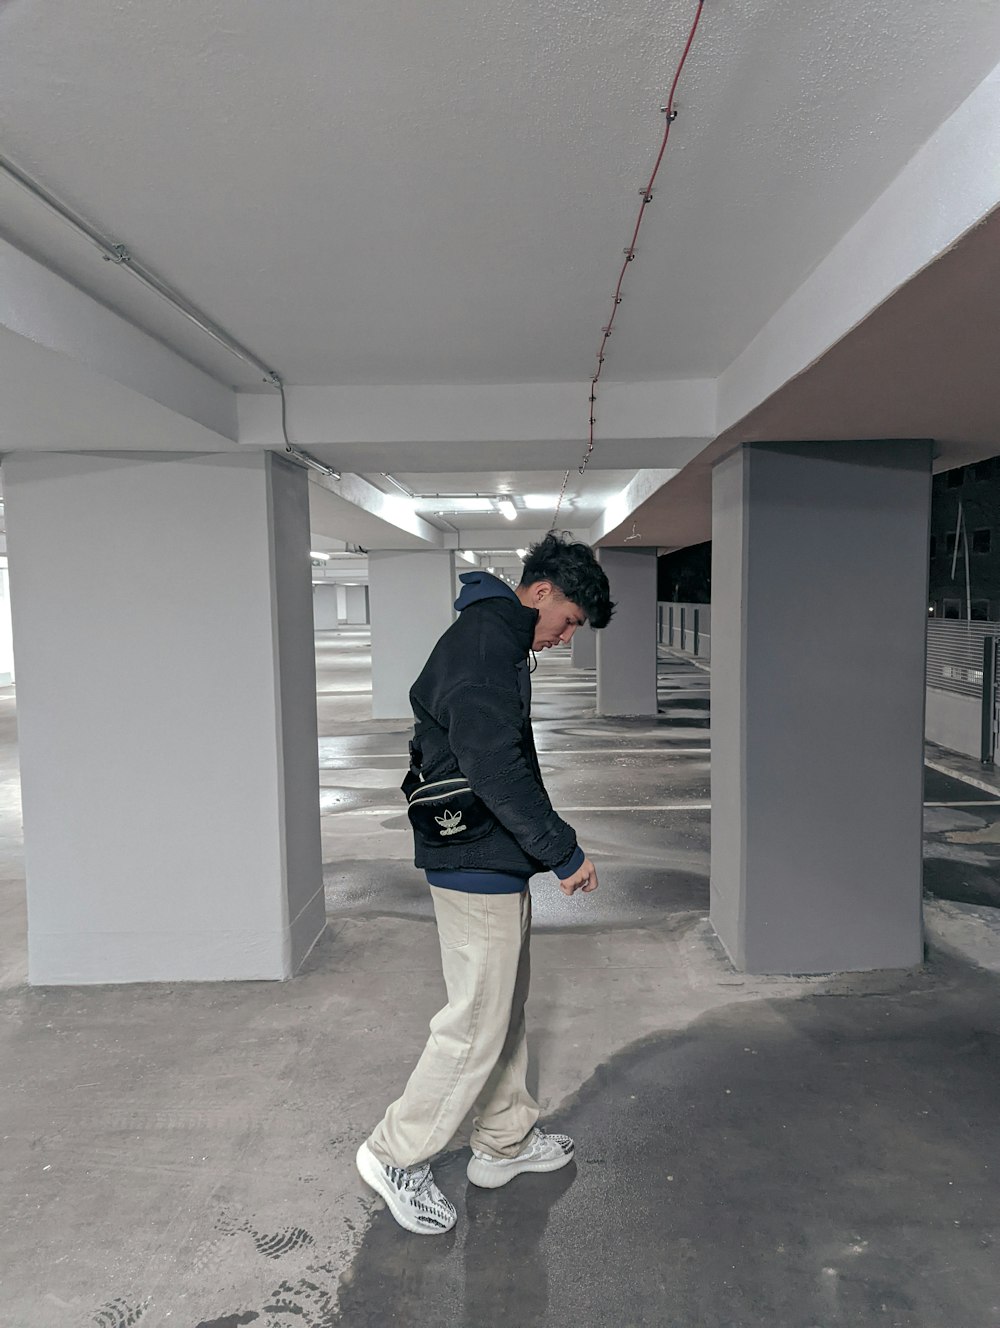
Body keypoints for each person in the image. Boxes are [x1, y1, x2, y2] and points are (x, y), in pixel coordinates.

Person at [356, 531, 614, 1235]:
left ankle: (502, 1143)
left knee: (502, 1010)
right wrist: (563, 852)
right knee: (474, 1023)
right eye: (567, 621)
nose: (564, 638)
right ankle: (393, 1153)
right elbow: (494, 764)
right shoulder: (484, 647)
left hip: (487, 855)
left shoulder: (495, 638)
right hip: (472, 852)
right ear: (539, 592)